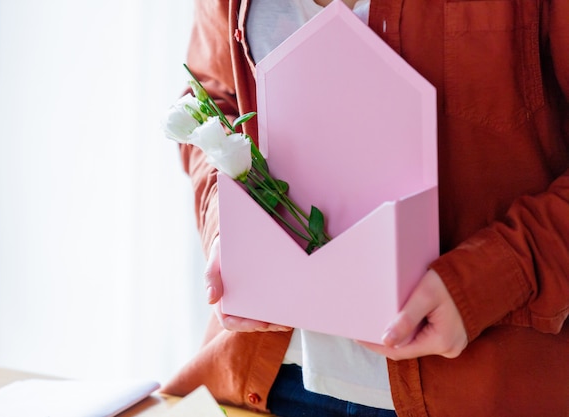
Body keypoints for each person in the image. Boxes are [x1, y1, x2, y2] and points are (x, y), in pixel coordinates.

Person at [162, 0, 569, 416]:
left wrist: (485, 283)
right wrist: (227, 224)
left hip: (483, 384)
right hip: (267, 380)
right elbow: (212, 99)